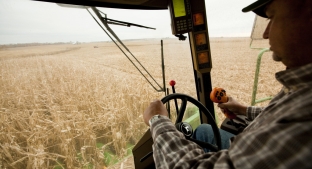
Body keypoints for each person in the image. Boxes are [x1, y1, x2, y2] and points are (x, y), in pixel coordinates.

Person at [142, 0, 312, 168]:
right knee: (204, 130)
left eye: (271, 17)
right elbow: (282, 114)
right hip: (251, 144)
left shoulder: (304, 120)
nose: (265, 33)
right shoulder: (301, 87)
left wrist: (158, 120)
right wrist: (243, 109)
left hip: (247, 150)